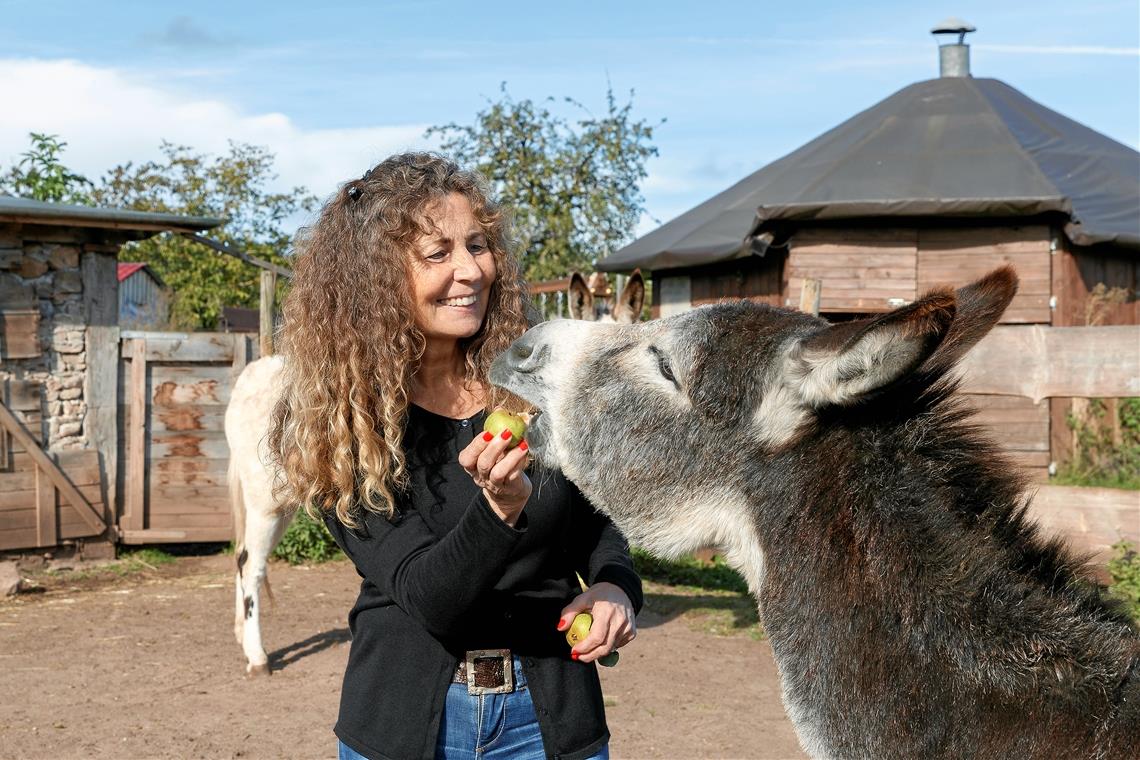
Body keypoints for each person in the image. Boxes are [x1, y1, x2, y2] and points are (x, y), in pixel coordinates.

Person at [268, 152, 642, 760]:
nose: (471, 270)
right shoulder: (344, 425)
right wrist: (500, 510)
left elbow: (598, 523)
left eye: (478, 245)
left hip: (549, 723)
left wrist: (615, 589)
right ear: (377, 280)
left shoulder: (537, 388)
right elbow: (431, 598)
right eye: (438, 253)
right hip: (408, 728)